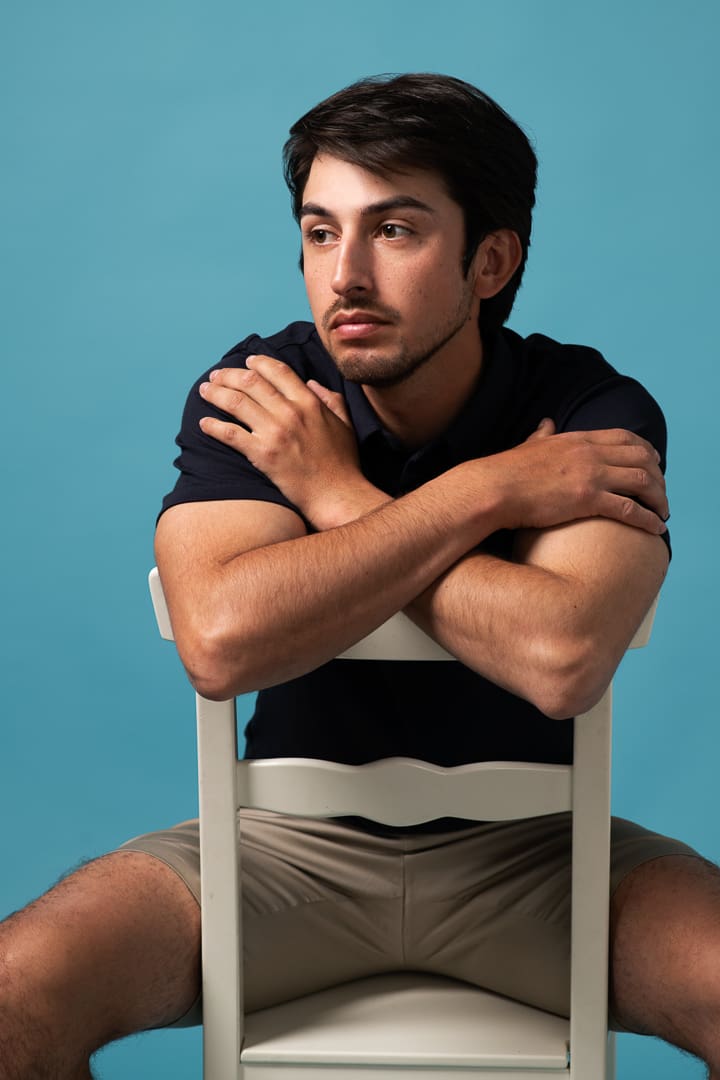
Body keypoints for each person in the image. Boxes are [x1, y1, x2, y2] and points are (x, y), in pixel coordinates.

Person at [1, 72, 719, 1080]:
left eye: (395, 230)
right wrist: (488, 494)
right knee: (12, 996)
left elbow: (562, 656)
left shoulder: (590, 412)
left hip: (544, 863)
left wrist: (336, 497)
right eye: (321, 232)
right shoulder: (266, 395)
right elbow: (219, 639)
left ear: (491, 259)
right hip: (281, 855)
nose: (345, 275)